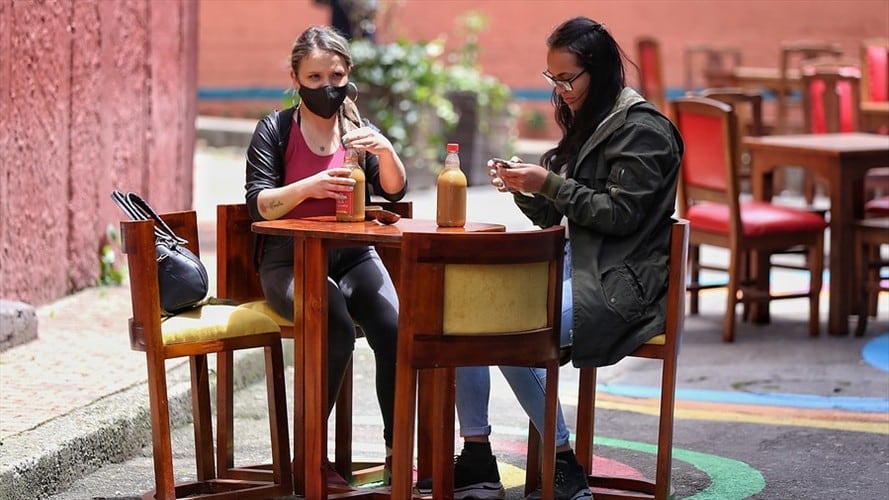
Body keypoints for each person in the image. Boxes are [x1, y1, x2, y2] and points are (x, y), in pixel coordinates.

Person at [416, 16, 684, 500]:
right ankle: (476, 456)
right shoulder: (590, 119)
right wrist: (527, 188)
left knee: (513, 330)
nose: (560, 91)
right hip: (575, 270)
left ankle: (563, 465)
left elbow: (620, 215)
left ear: (598, 72)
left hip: (623, 285)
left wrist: (552, 183)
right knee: (462, 317)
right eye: (552, 79)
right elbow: (557, 215)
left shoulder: (645, 131)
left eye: (567, 79)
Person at [244, 25, 407, 479]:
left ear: (348, 75)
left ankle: (397, 454)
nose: (325, 87)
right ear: (295, 79)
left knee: (394, 328)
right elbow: (257, 202)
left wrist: (388, 152)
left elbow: (394, 193)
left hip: (354, 253)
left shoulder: (358, 131)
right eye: (314, 78)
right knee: (333, 323)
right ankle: (309, 457)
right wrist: (312, 185)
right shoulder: (275, 130)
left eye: (334, 76)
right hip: (288, 259)